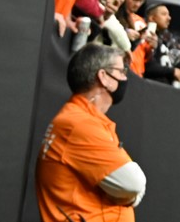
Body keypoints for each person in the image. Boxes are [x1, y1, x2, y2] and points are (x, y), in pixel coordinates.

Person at [36, 43, 146, 222]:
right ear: (104, 77)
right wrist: (131, 197)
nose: (125, 77)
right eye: (121, 71)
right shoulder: (79, 123)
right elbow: (134, 184)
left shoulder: (85, 119)